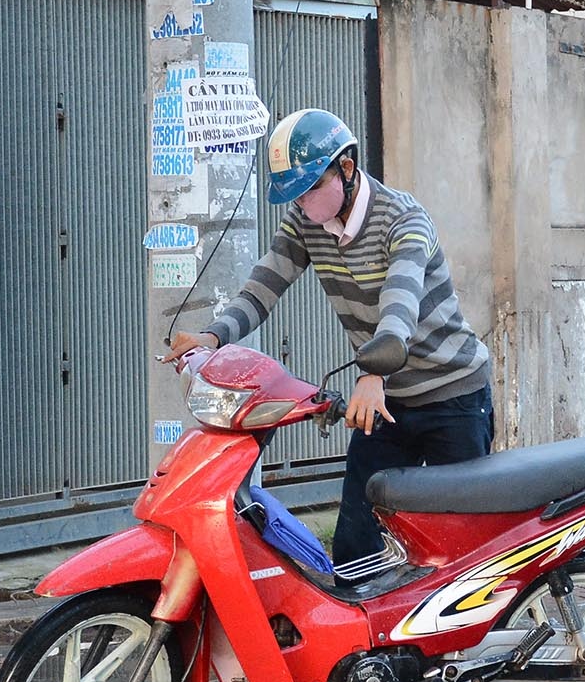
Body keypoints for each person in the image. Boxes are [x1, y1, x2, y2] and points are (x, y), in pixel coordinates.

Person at [167, 108, 493, 567]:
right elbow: (265, 284)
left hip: (453, 397)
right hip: (386, 405)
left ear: (347, 168)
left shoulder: (404, 220)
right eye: (294, 197)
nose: (303, 204)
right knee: (356, 543)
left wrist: (374, 373)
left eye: (311, 189)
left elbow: (399, 305)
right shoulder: (306, 222)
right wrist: (212, 336)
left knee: (460, 549)